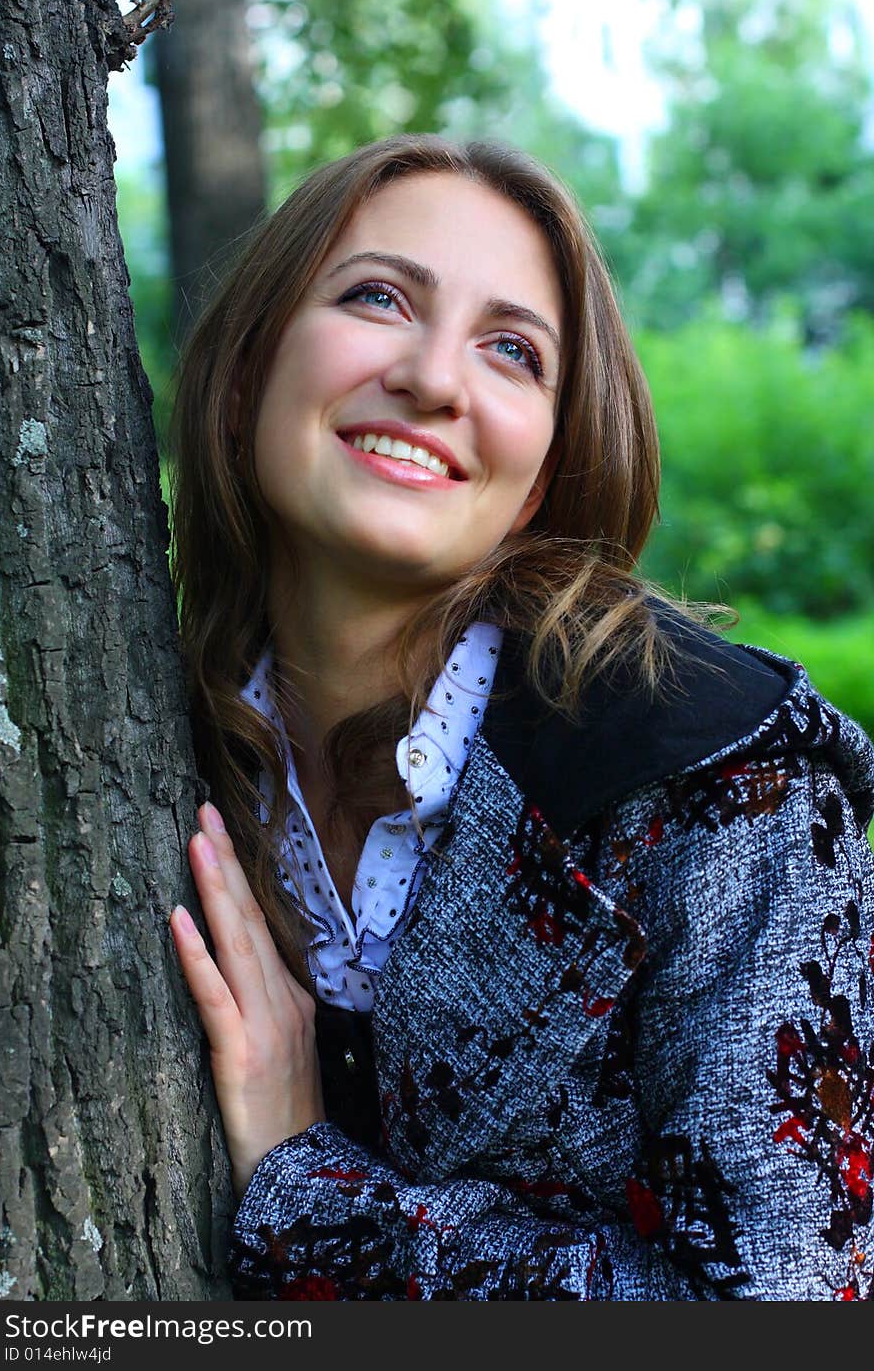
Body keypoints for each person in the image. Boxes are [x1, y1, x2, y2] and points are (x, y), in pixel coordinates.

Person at [166, 134, 874, 1301]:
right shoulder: (142, 735)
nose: (435, 380)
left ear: (539, 473)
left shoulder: (720, 775)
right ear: (246, 376)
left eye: (511, 351)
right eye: (378, 297)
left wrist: (313, 1191)